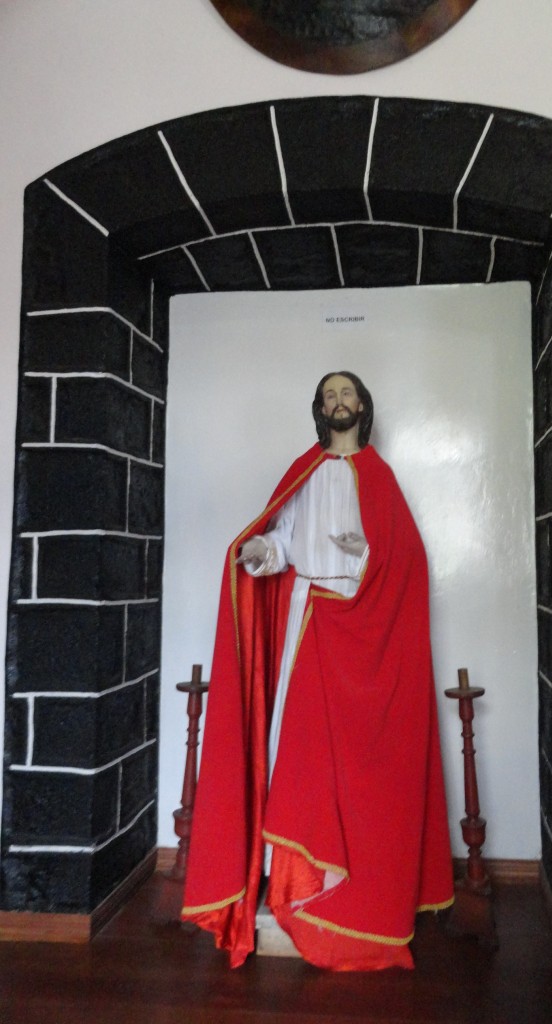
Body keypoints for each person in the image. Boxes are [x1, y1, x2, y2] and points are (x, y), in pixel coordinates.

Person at [181, 372, 455, 971]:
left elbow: (407, 560)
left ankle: (351, 889)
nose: (338, 403)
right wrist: (261, 555)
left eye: (346, 394)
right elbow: (282, 540)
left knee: (360, 767)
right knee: (298, 754)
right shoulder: (303, 472)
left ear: (363, 406)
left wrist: (370, 555)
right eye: (329, 395)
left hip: (360, 633)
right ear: (319, 409)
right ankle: (293, 882)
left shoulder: (380, 478)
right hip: (308, 624)